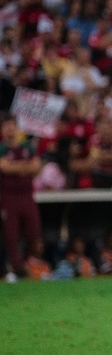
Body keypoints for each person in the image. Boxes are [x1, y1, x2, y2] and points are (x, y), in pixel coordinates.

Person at [0, 115, 44, 282]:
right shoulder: (1, 149)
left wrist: (15, 168)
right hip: (8, 196)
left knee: (34, 233)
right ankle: (16, 269)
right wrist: (25, 167)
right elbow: (4, 168)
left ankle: (24, 263)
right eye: (6, 126)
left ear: (17, 128)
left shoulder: (28, 147)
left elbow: (36, 167)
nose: (10, 129)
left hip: (27, 195)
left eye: (12, 125)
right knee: (11, 235)